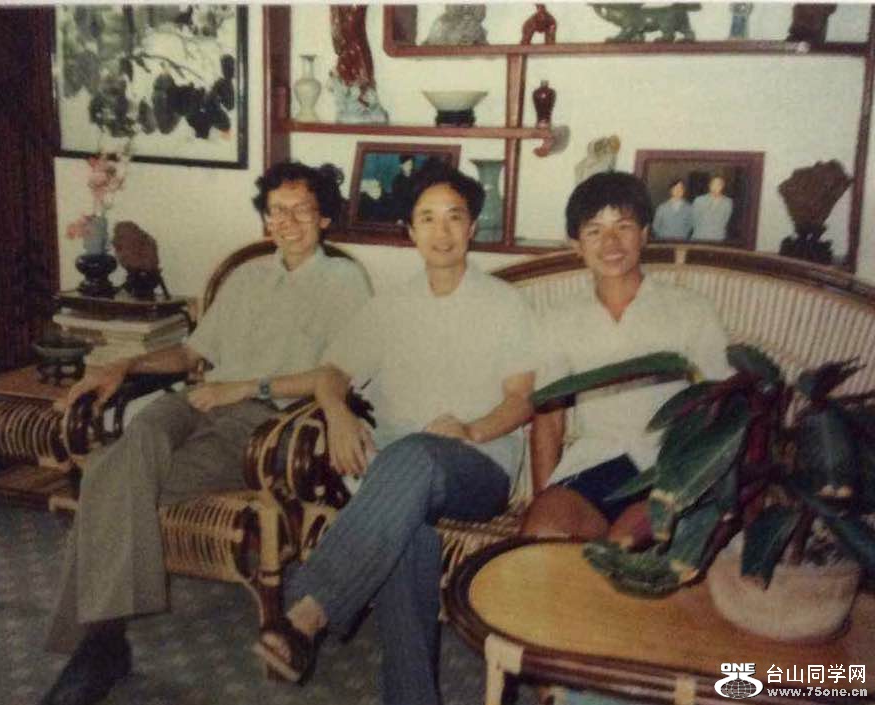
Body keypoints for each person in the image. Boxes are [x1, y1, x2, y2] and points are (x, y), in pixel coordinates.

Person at [40, 161, 373, 705]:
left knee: (106, 474)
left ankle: (101, 642)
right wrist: (125, 366)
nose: (288, 222)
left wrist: (244, 387)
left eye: (302, 210)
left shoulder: (345, 282)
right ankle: (103, 642)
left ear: (325, 219)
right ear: (265, 219)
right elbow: (192, 353)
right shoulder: (247, 277)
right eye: (277, 211)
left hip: (264, 423)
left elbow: (336, 373)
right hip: (197, 402)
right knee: (137, 440)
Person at [251, 160, 536, 705]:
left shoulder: (504, 304)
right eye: (427, 218)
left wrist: (471, 428)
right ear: (409, 230)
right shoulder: (390, 304)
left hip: (476, 464)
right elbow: (332, 373)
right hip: (394, 472)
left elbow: (522, 399)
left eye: (454, 217)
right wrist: (338, 415)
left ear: (472, 226)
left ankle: (309, 611)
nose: (441, 231)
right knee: (409, 533)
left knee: (415, 456)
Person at [522, 171, 732, 543]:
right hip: (593, 463)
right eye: (594, 231)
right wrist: (543, 498)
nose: (611, 243)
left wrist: (699, 484)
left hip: (667, 469)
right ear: (576, 245)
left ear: (645, 234)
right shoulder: (558, 318)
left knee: (623, 544)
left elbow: (724, 405)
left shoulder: (690, 310)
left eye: (623, 227)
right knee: (541, 534)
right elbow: (548, 419)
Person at [691, 174, 733, 240]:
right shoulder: (699, 200)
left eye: (719, 185)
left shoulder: (728, 202)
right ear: (710, 185)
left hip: (718, 237)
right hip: (699, 236)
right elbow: (694, 220)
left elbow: (725, 221)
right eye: (714, 184)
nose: (716, 187)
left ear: (723, 186)